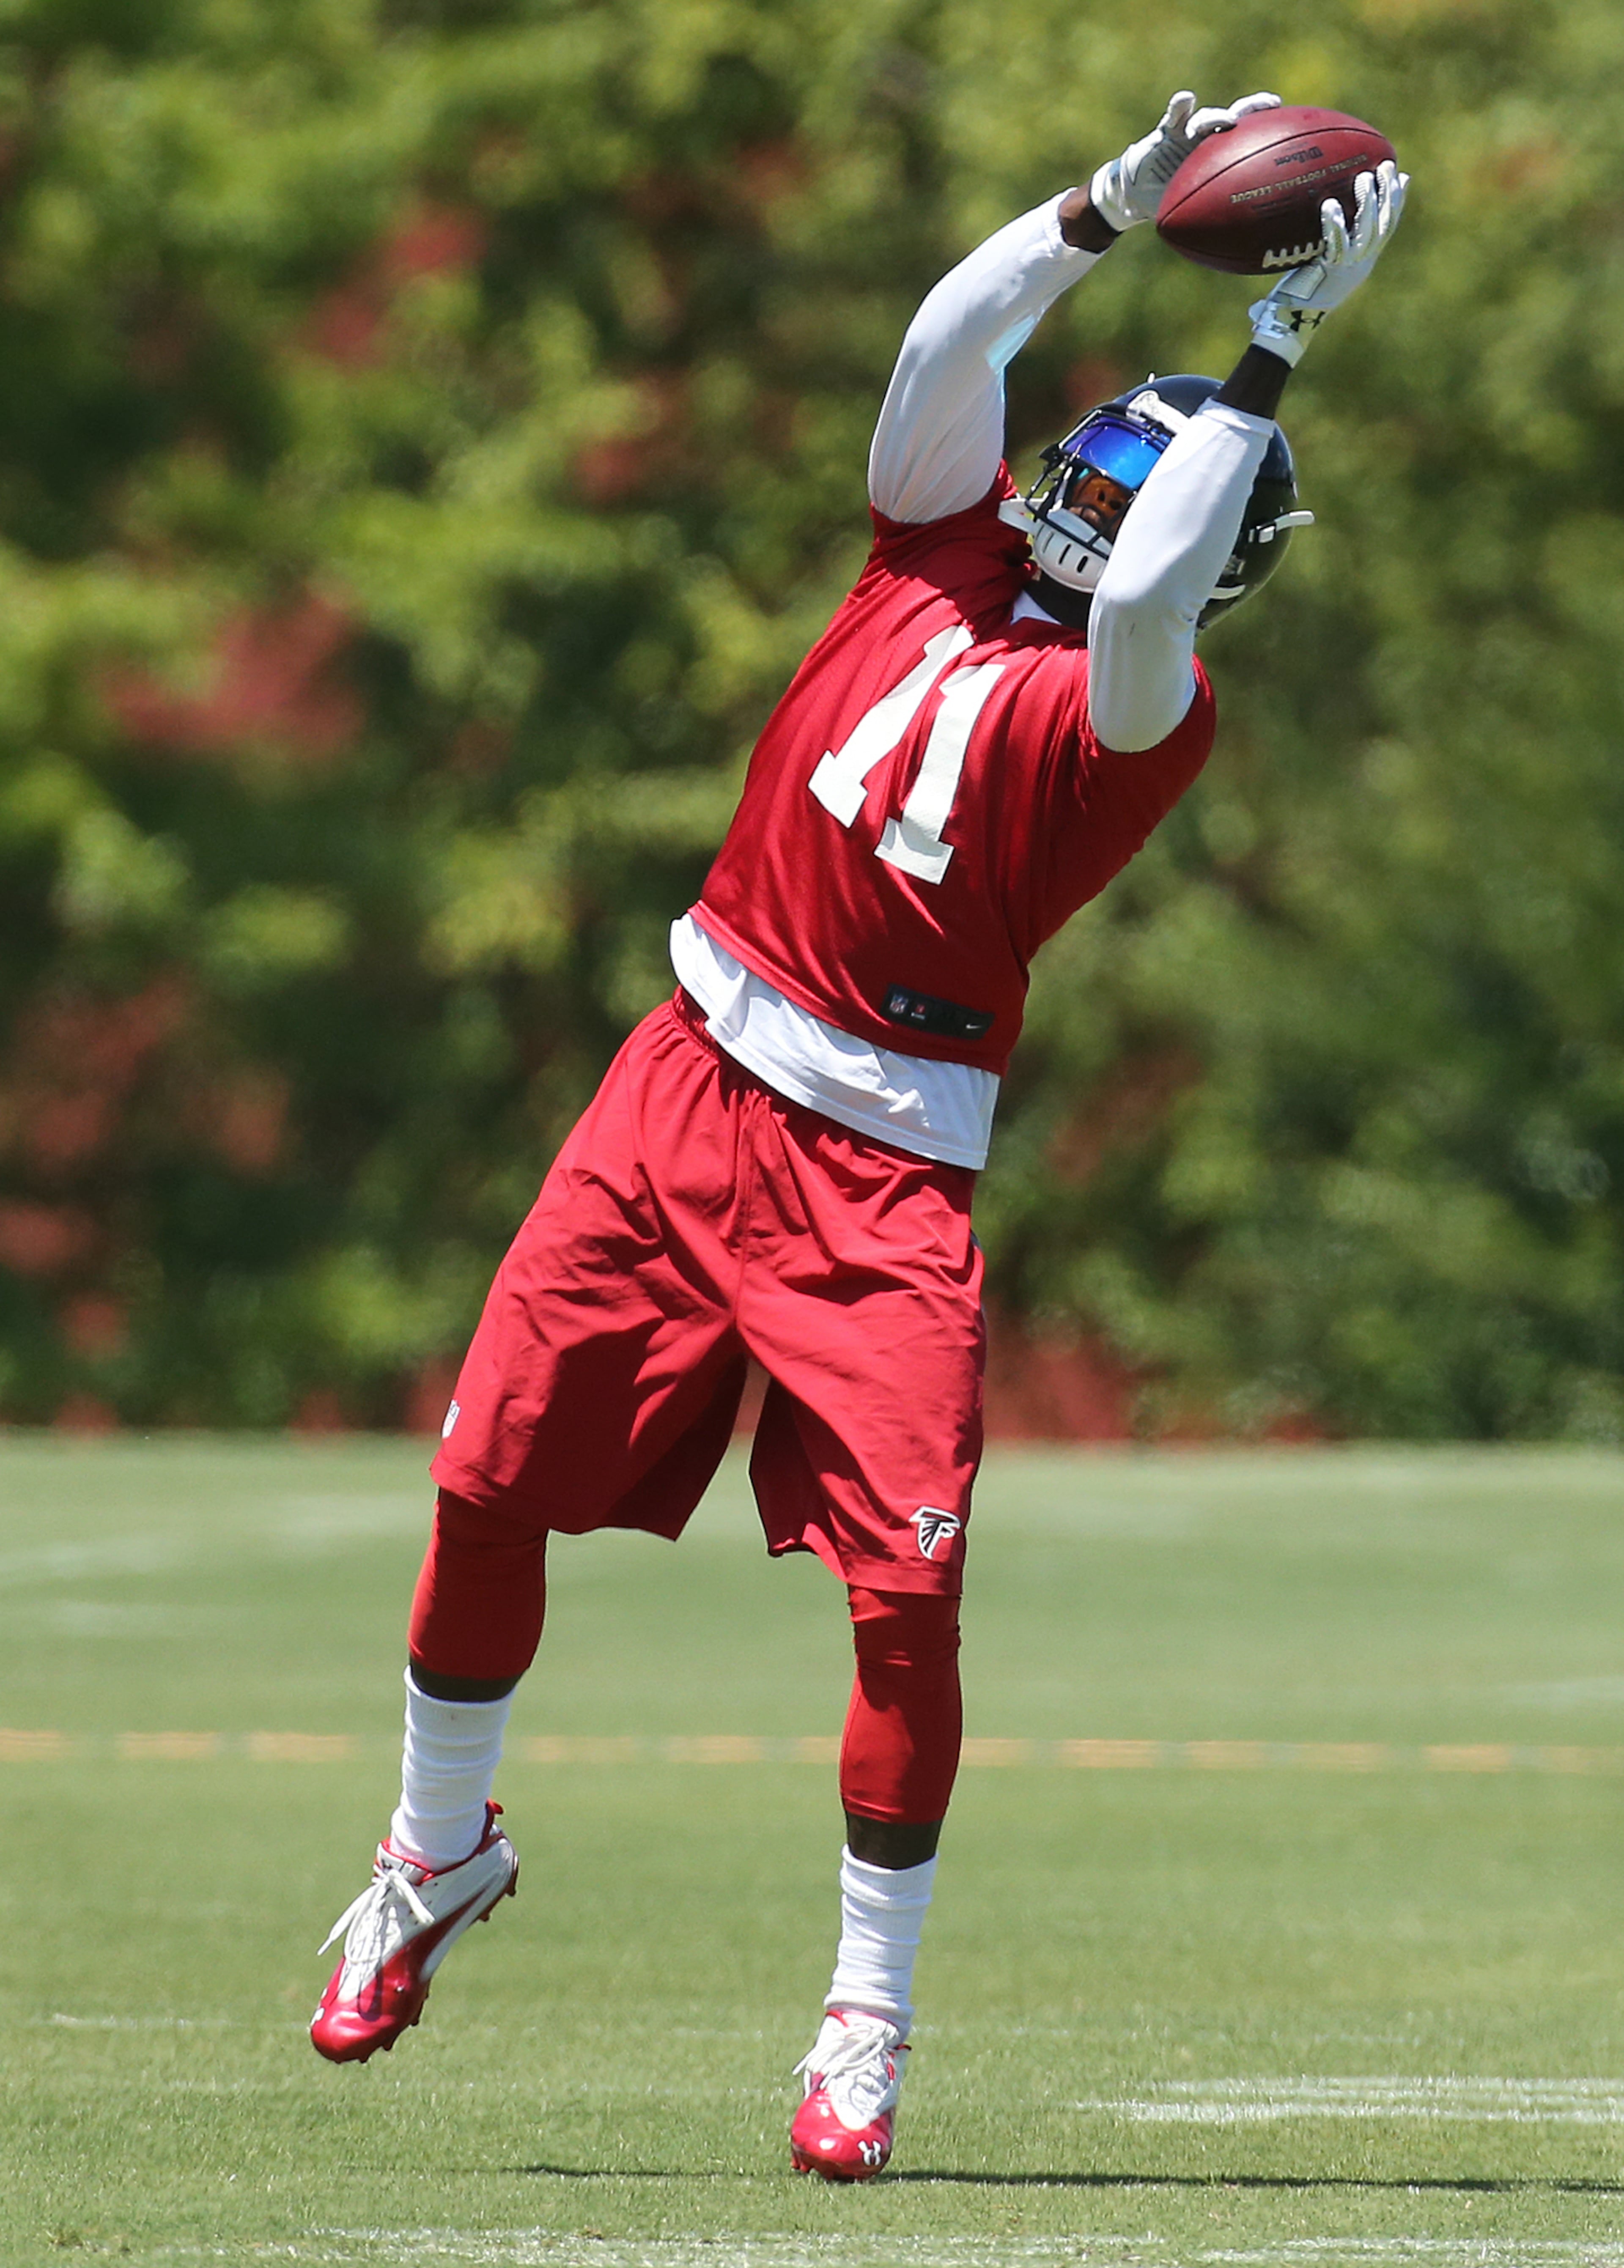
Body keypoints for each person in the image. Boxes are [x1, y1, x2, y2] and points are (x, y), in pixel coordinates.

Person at [309, 90, 1407, 2180]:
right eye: (1120, 450)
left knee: (904, 1606)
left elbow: (1154, 592)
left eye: (1165, 487)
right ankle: (433, 1854)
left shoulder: (1129, 715)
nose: (1112, 494)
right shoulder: (932, 546)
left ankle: (866, 2018)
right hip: (684, 1087)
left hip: (878, 1179)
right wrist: (1105, 206)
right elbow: (939, 358)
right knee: (479, 1482)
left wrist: (1275, 353)